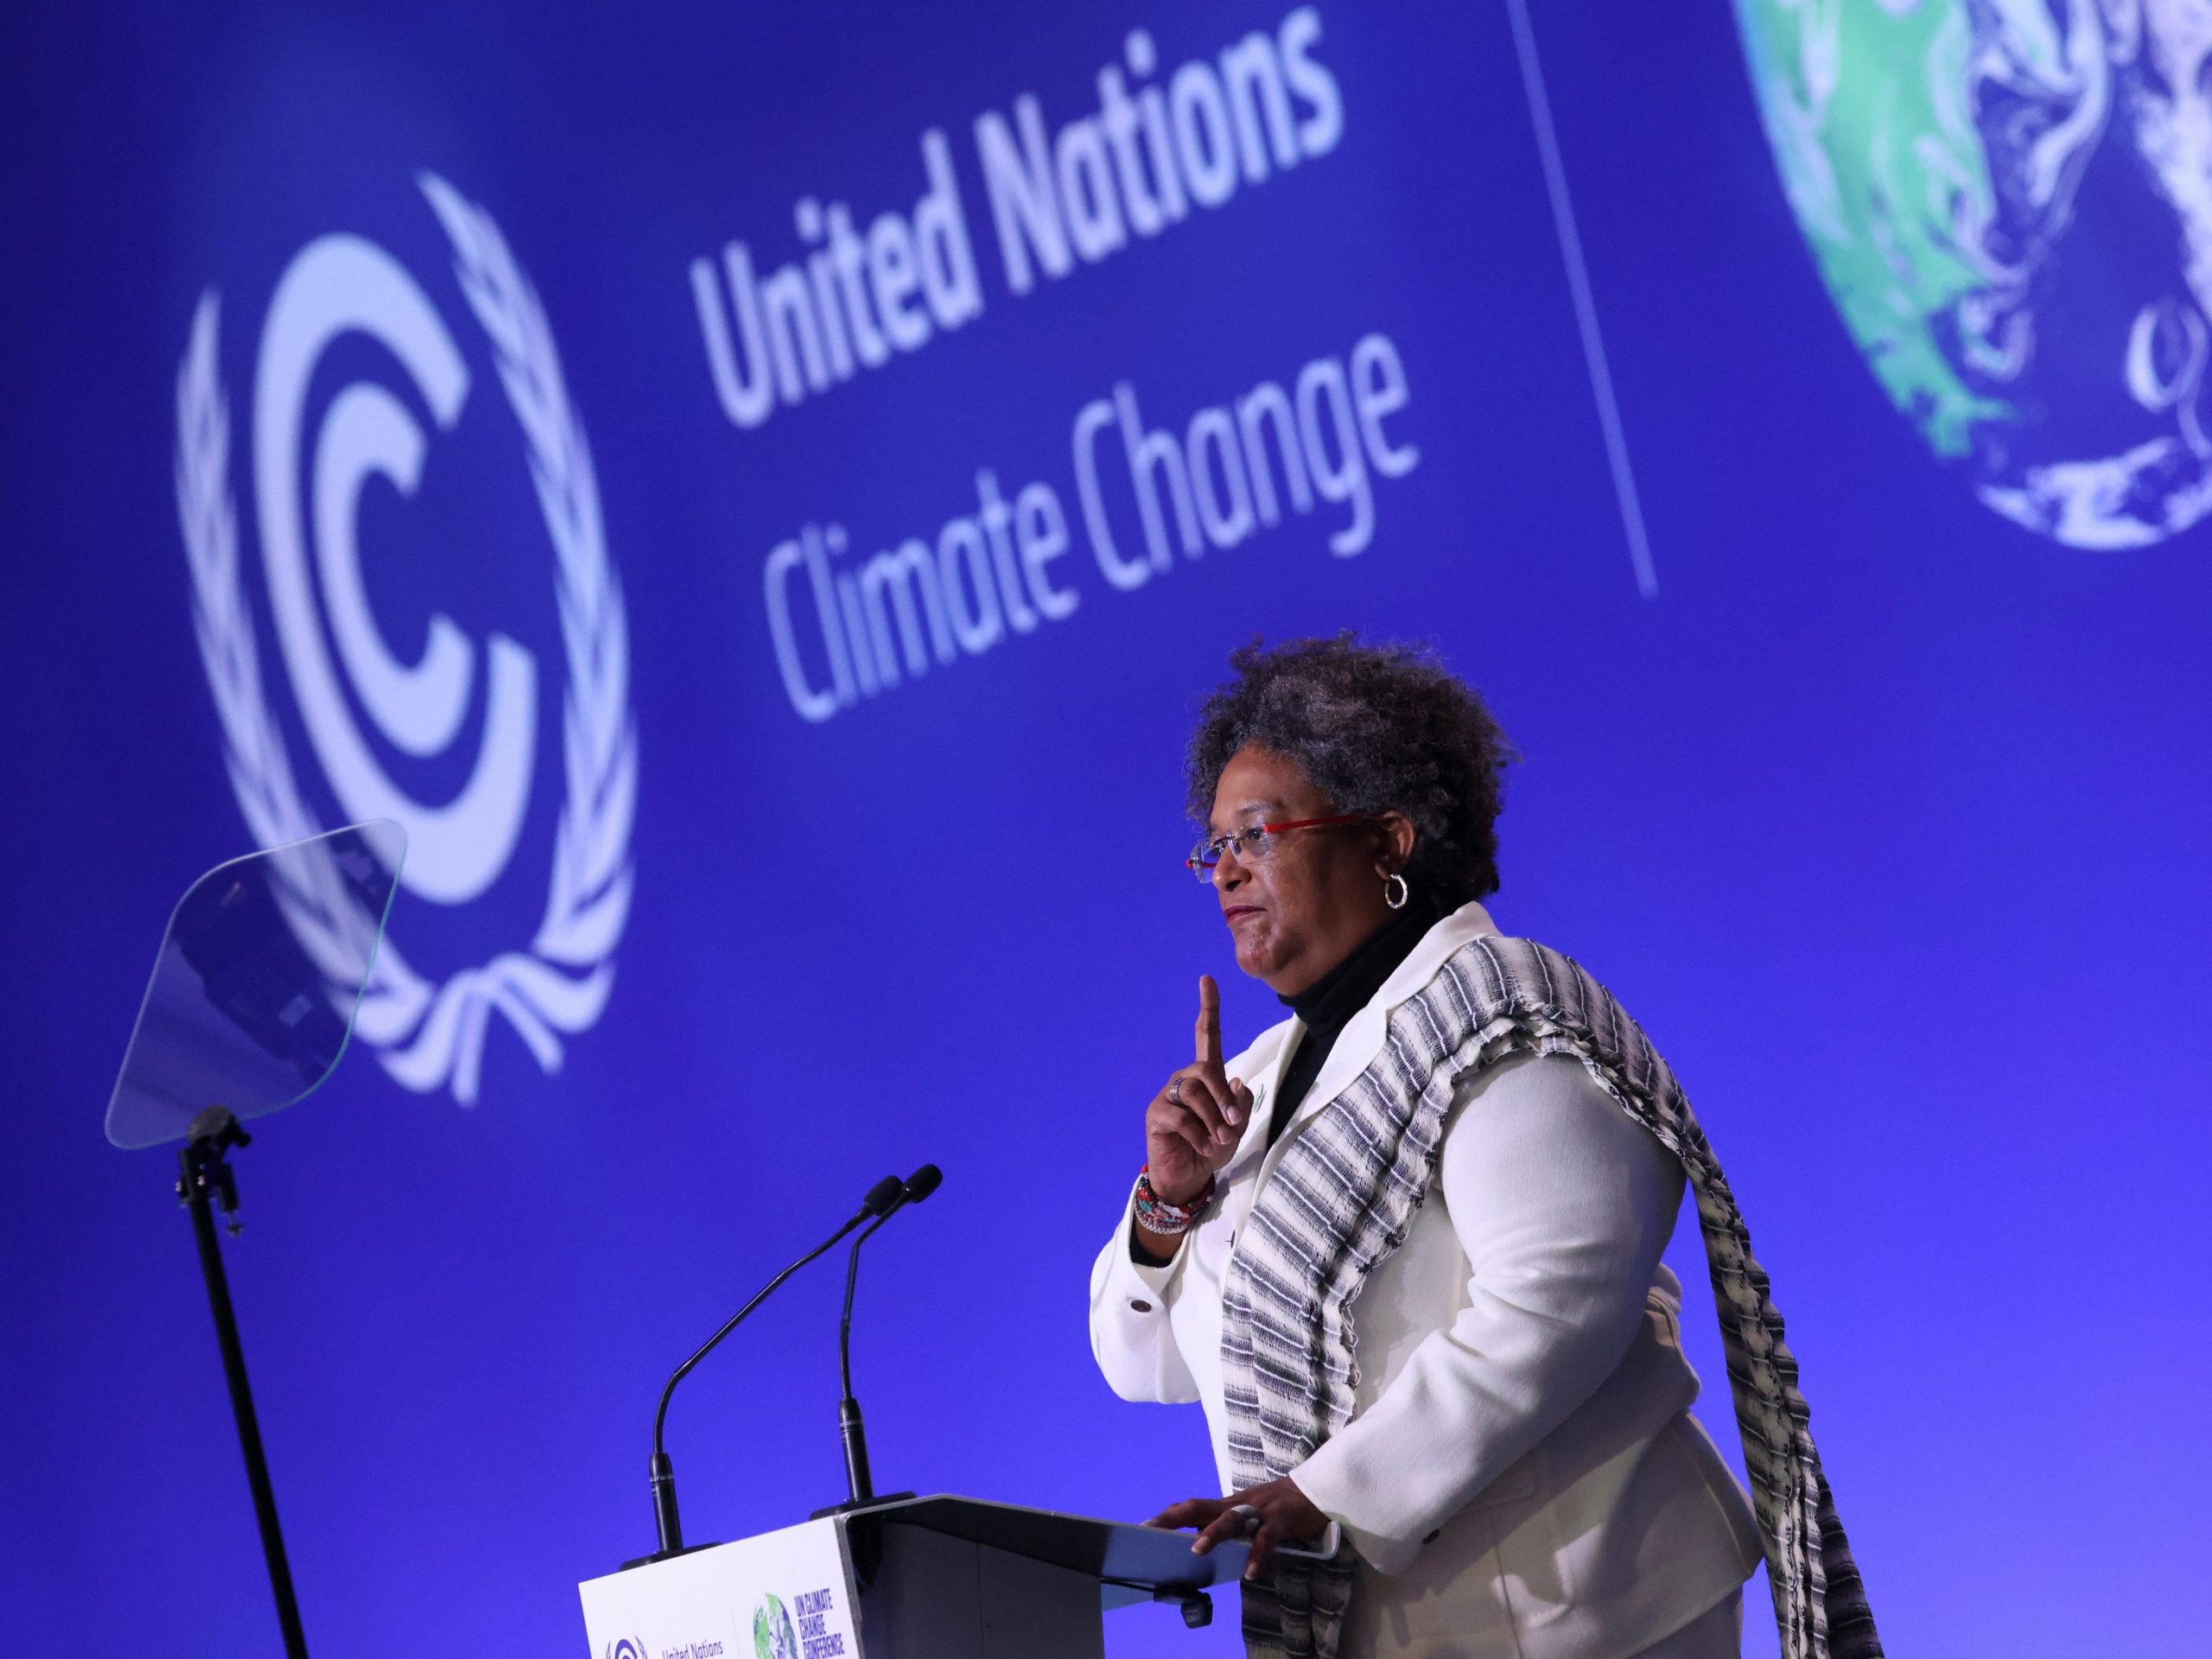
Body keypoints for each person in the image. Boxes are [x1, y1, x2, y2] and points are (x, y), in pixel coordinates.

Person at [1088, 638, 1879, 1659]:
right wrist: (1167, 1203)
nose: (1226, 872)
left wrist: (1321, 1496)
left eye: (1258, 835)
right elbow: (1142, 1366)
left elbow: (1556, 1302)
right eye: (1213, 849)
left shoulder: (1507, 1017)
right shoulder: (1260, 1078)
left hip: (1591, 1614)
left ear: (1388, 840)